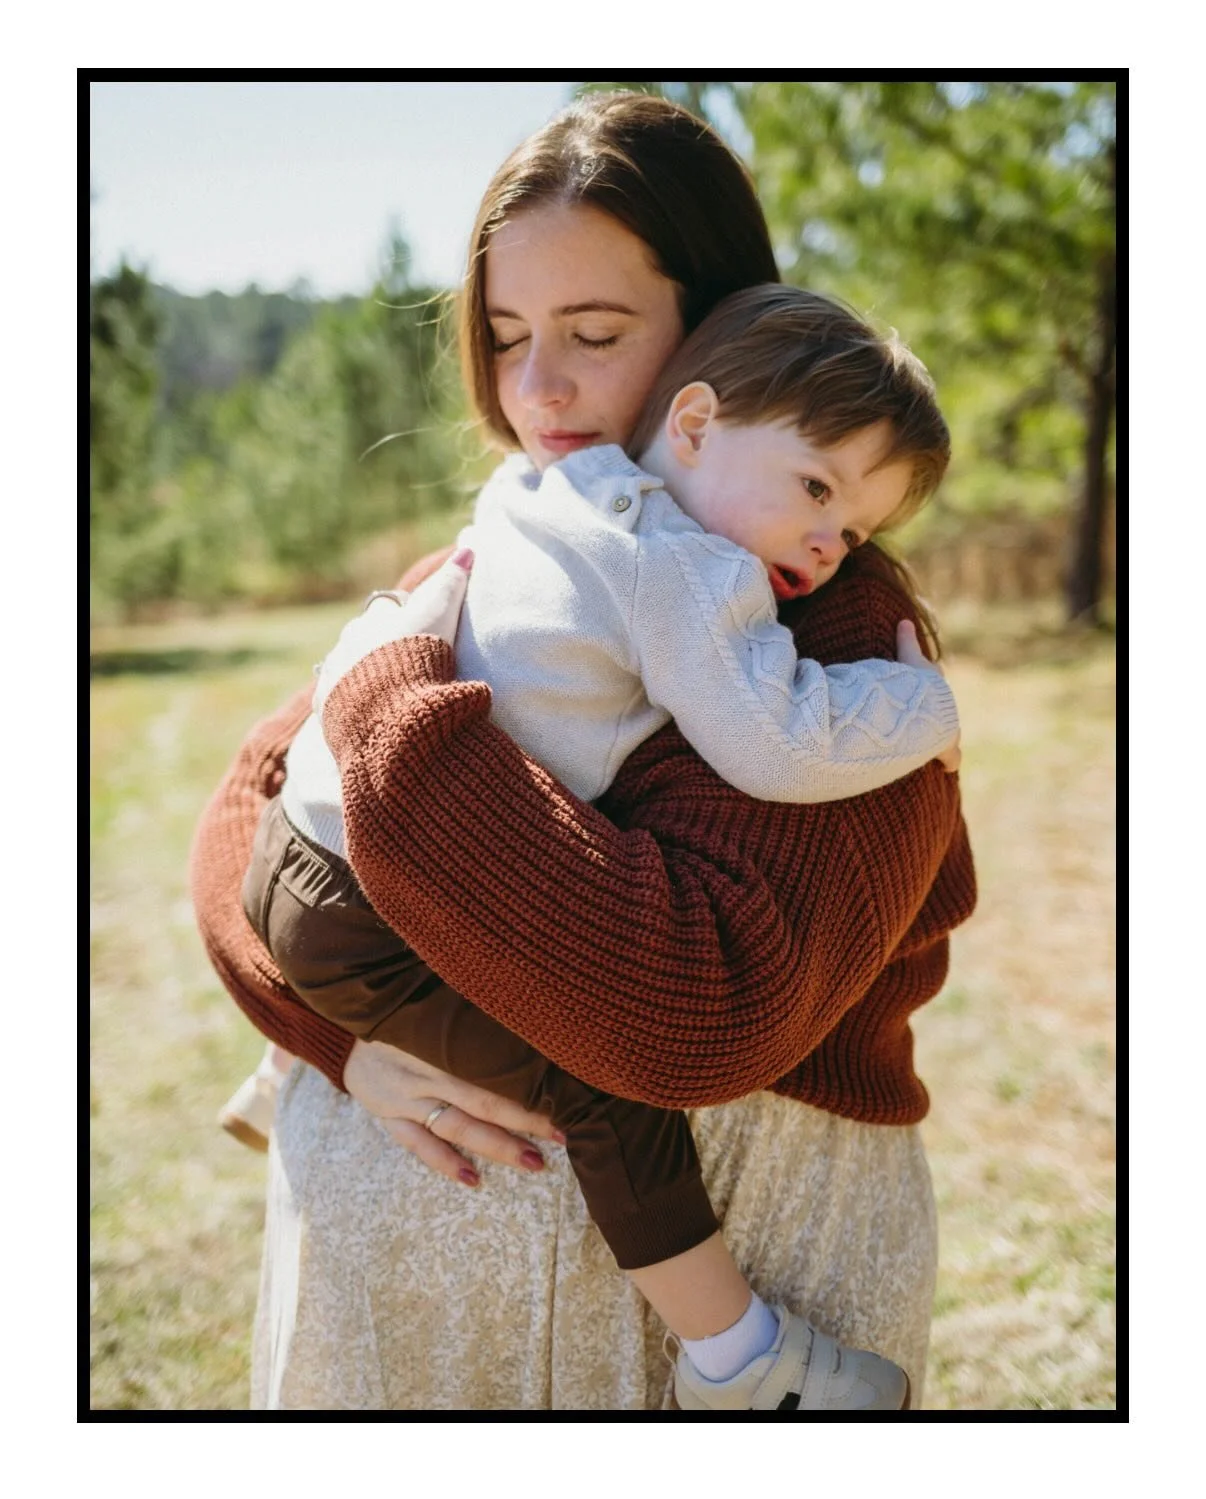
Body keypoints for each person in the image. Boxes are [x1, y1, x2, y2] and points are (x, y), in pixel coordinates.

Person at [191, 90, 976, 1411]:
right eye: (506, 337)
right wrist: (328, 1031)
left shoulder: (837, 633)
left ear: (713, 337)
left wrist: (389, 722)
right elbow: (246, 815)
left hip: (735, 1258)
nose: (537, 389)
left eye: (596, 334)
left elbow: (699, 1011)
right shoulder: (527, 548)